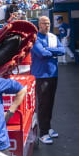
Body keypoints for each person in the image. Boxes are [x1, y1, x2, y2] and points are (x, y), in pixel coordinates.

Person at [31, 16, 65, 144]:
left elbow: (62, 51)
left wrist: (49, 50)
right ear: (39, 25)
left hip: (53, 74)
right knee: (43, 104)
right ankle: (43, 133)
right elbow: (41, 54)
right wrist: (53, 52)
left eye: (49, 23)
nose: (47, 25)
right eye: (44, 23)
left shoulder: (53, 37)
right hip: (41, 75)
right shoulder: (35, 38)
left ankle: (48, 127)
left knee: (50, 103)